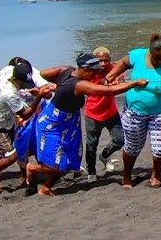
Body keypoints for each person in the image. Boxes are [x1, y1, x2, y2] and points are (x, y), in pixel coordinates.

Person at [29, 54, 148, 196]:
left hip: (69, 122)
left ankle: (45, 188)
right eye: (94, 72)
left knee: (69, 161)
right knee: (57, 166)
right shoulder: (79, 85)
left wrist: (58, 85)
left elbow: (44, 73)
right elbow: (109, 91)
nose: (96, 75)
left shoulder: (66, 70)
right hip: (52, 124)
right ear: (84, 69)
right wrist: (134, 83)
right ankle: (32, 169)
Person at [103, 35, 161, 189]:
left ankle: (155, 175)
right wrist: (111, 76)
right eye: (157, 58)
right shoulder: (138, 55)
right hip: (134, 112)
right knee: (133, 147)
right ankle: (127, 176)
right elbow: (124, 63)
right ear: (150, 53)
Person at [0, 61, 44, 194]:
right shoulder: (10, 93)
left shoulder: (8, 70)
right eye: (23, 84)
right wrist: (39, 96)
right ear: (16, 79)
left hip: (7, 122)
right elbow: (25, 114)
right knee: (12, 155)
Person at [82, 47, 126, 177]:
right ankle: (91, 172)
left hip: (110, 113)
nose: (103, 64)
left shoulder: (114, 69)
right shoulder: (88, 72)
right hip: (92, 114)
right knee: (91, 145)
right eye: (100, 61)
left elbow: (121, 81)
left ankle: (105, 155)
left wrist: (120, 82)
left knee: (120, 139)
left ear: (110, 60)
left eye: (106, 60)